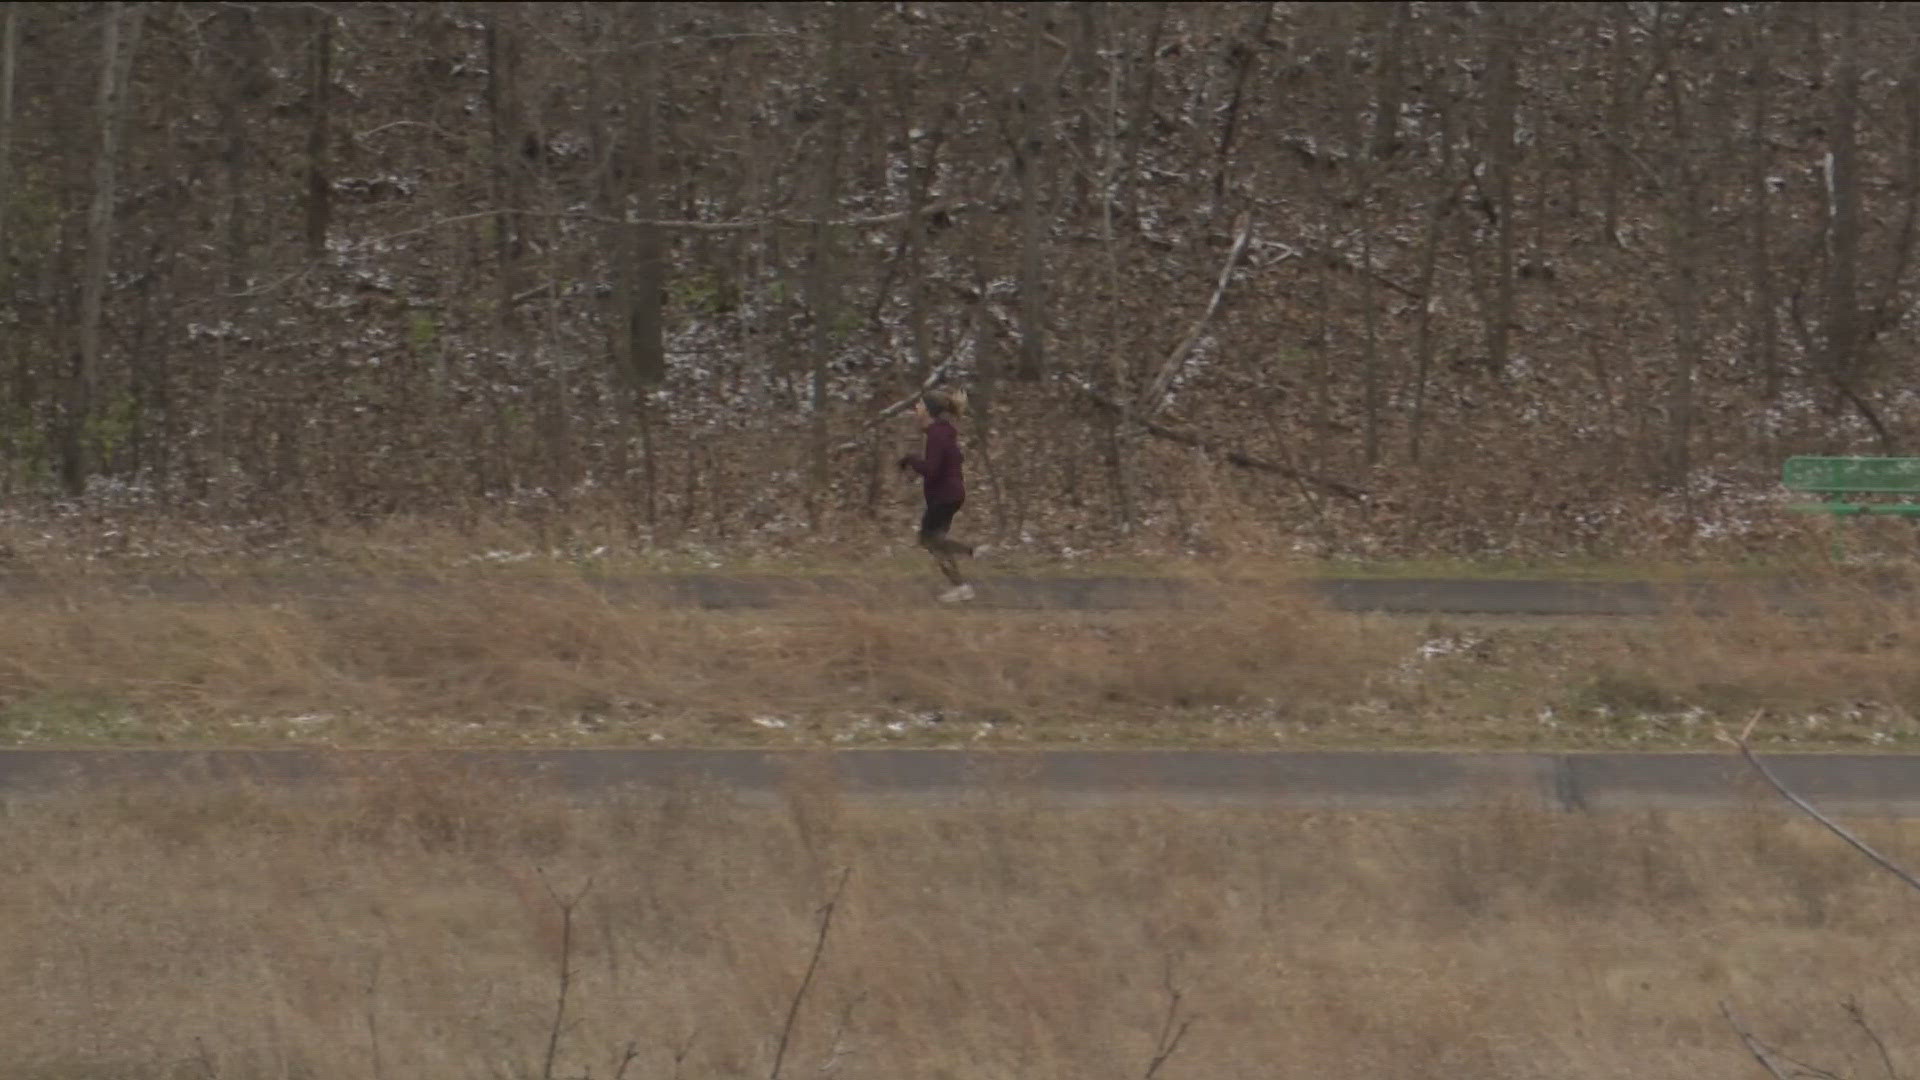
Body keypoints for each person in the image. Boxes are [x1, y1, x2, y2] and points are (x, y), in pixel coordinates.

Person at [899, 388, 983, 602]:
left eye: (919, 405)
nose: (916, 409)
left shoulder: (937, 434)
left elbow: (932, 470)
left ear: (928, 410)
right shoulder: (943, 432)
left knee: (929, 540)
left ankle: (965, 574)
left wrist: (911, 460)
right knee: (935, 540)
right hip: (951, 494)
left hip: (944, 496)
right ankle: (969, 561)